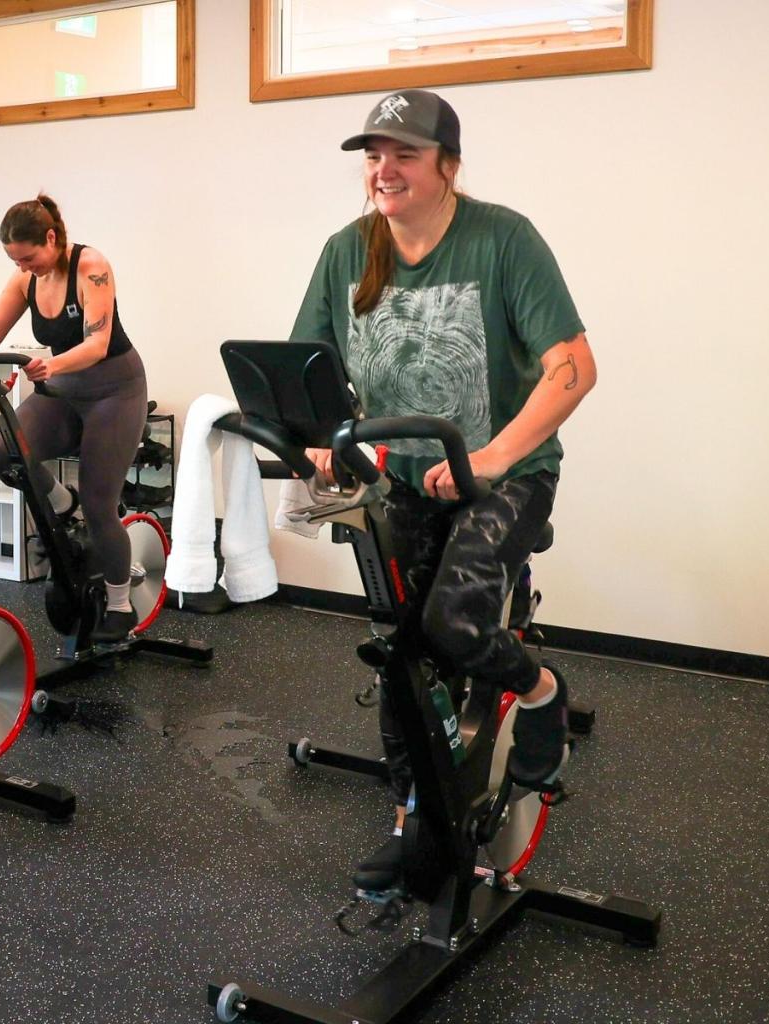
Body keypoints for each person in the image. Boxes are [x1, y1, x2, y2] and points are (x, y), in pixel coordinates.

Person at [290, 89, 596, 891]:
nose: (383, 171)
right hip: (402, 479)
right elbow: (307, 370)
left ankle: (539, 691)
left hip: (506, 475)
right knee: (403, 653)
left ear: (447, 166)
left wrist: (493, 455)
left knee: (454, 623)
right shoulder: (346, 250)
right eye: (373, 156)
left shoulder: (503, 240)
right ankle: (414, 818)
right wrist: (316, 439)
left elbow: (574, 366)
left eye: (405, 155)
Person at [0, 196, 149, 642]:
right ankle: (61, 502)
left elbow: (97, 343)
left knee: (99, 506)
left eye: (29, 257)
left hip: (115, 391)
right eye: (15, 260)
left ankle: (120, 603)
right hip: (65, 393)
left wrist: (50, 366)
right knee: (6, 455)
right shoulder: (25, 279)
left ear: (51, 238)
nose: (24, 267)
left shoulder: (91, 266)